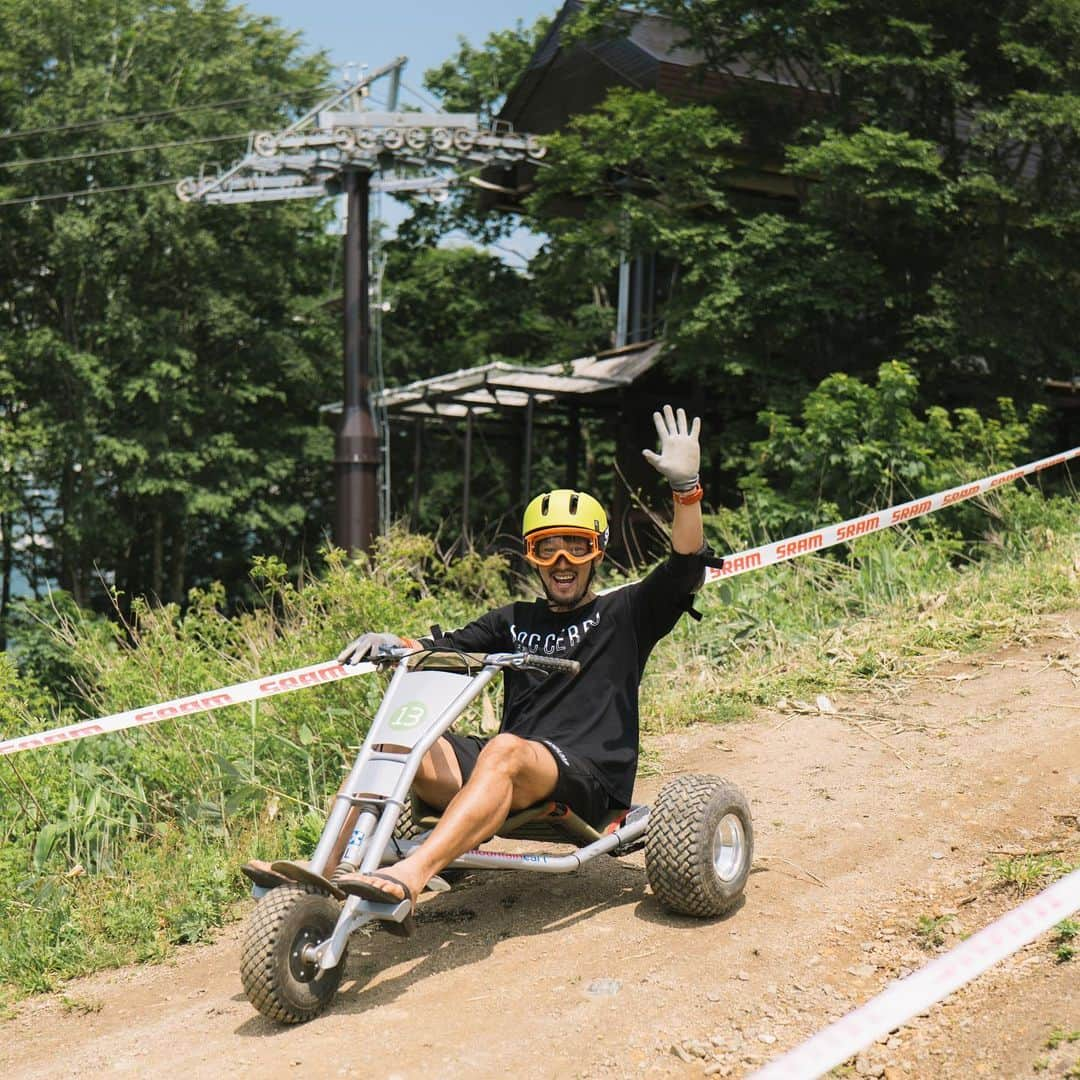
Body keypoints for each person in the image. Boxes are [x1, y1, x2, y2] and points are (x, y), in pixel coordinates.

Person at [328, 404, 716, 934]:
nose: (562, 562)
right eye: (548, 548)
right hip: (510, 767)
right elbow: (443, 649)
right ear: (532, 556)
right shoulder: (512, 620)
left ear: (596, 552)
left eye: (575, 548)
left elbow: (685, 568)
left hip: (585, 776)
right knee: (405, 744)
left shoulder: (625, 612)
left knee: (503, 749)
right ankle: (329, 874)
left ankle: (411, 875)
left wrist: (687, 491)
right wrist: (393, 643)